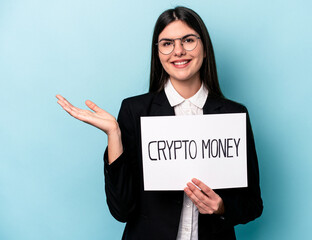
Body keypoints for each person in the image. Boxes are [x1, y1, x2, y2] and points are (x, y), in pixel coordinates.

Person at [56, 6, 263, 240]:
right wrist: (114, 134)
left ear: (205, 48)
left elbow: (253, 204)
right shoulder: (135, 112)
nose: (178, 51)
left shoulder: (233, 115)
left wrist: (222, 207)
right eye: (167, 43)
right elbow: (121, 210)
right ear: (158, 53)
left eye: (188, 40)